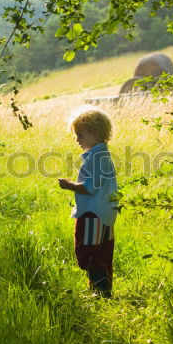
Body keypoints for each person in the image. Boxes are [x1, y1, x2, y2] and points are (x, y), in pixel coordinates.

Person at [58, 106, 118, 298]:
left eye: (80, 135)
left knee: (88, 251)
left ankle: (101, 291)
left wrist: (70, 185)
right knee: (103, 251)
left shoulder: (97, 157)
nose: (77, 140)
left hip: (93, 213)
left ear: (95, 133)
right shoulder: (101, 155)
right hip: (104, 213)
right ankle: (101, 289)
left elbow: (91, 187)